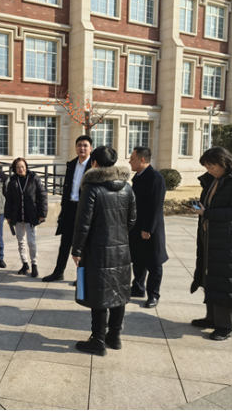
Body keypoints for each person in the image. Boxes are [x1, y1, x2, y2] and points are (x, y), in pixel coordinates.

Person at [71, 146, 137, 356]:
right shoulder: (127, 188)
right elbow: (131, 220)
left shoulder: (92, 188)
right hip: (121, 249)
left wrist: (77, 249)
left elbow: (83, 223)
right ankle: (114, 336)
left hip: (98, 250)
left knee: (99, 292)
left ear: (95, 163)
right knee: (118, 290)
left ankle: (98, 339)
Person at [190, 147, 232, 341]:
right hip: (212, 236)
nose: (209, 171)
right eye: (207, 167)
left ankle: (225, 326)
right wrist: (200, 208)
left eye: (211, 166)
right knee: (211, 278)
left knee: (226, 282)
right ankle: (212, 318)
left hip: (230, 240)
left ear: (223, 162)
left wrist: (206, 213)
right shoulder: (214, 180)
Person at [42, 135, 93, 283]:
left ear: (90, 148)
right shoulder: (71, 164)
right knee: (65, 242)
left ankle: (82, 276)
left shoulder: (93, 166)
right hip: (70, 207)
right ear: (75, 148)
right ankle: (58, 272)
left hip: (85, 209)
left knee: (84, 243)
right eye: (79, 145)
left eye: (85, 145)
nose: (82, 148)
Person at [128, 147, 168, 308]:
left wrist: (148, 228)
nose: (130, 161)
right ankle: (137, 288)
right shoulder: (138, 177)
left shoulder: (155, 178)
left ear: (142, 160)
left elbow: (155, 206)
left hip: (151, 229)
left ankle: (153, 295)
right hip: (137, 227)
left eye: (132, 158)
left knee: (154, 262)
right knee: (138, 259)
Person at [5, 158, 48, 278]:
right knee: (21, 242)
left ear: (26, 166)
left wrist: (42, 213)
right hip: (18, 216)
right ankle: (25, 264)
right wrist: (8, 215)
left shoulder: (34, 178)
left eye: (22, 166)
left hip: (31, 216)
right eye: (18, 167)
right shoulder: (12, 181)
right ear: (15, 169)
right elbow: (9, 200)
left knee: (31, 242)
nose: (21, 169)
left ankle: (34, 264)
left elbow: (43, 196)